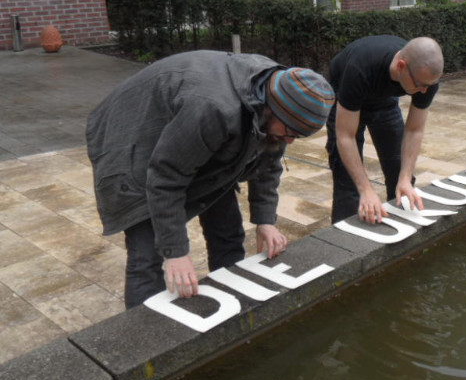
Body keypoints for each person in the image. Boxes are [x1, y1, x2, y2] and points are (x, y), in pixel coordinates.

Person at [86, 50, 334, 308]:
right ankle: (147, 330)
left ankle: (235, 308)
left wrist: (265, 221)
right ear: (272, 110)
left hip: (190, 128)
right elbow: (166, 177)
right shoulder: (213, 107)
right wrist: (175, 252)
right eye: (290, 131)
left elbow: (268, 160)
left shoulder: (279, 92)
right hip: (131, 135)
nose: (291, 140)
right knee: (147, 257)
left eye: (298, 136)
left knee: (228, 233)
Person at [325, 35, 443, 225]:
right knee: (348, 181)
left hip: (384, 101)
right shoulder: (359, 69)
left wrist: (405, 177)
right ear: (401, 66)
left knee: (399, 170)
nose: (424, 91)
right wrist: (366, 190)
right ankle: (345, 235)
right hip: (344, 95)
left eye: (429, 86)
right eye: (420, 85)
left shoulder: (425, 79)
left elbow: (414, 130)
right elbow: (345, 136)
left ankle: (400, 223)